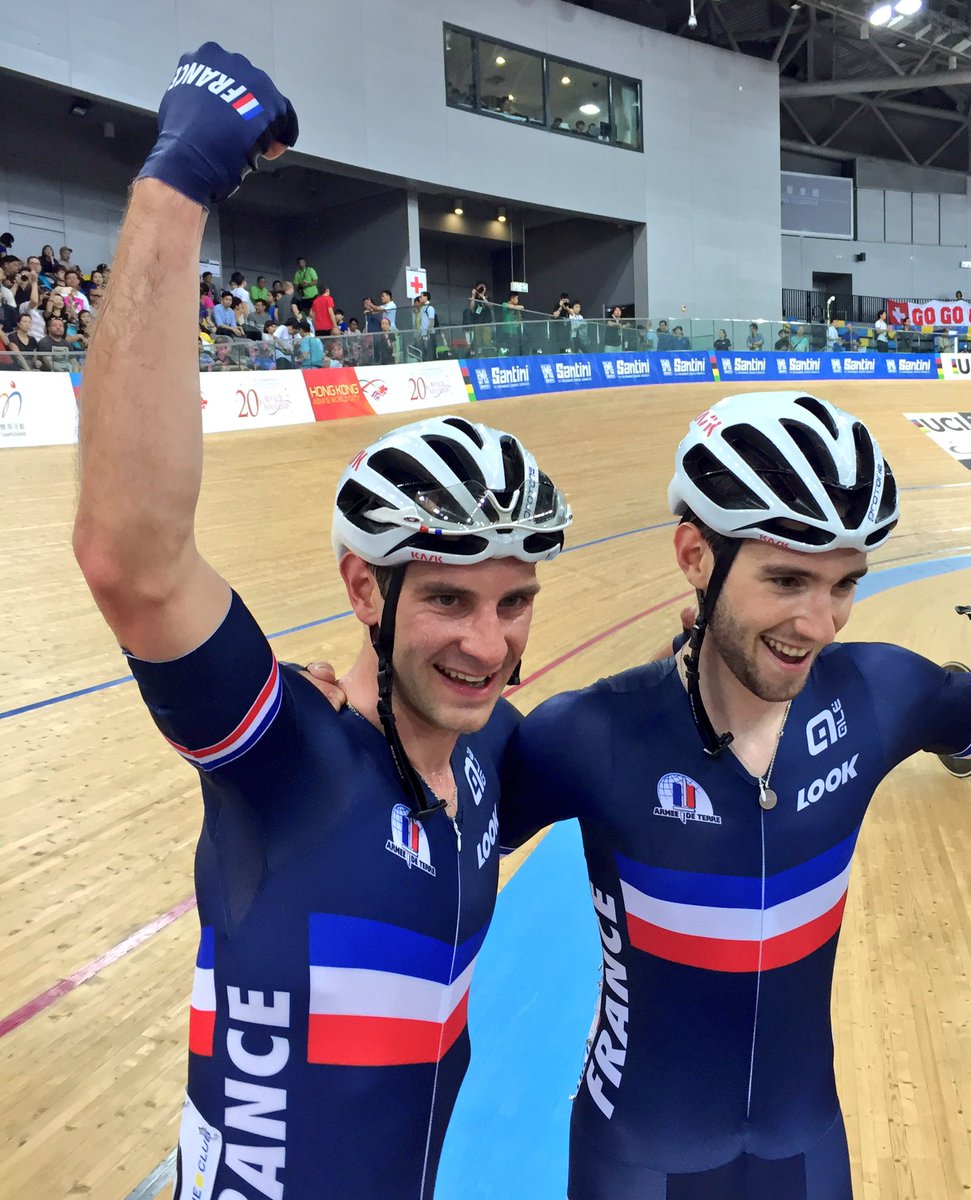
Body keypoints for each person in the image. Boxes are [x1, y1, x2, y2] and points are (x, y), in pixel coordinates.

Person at [70, 42, 572, 1200]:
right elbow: (132, 559)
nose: (487, 645)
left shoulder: (496, 753)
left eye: (514, 604)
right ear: (364, 588)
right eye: (447, 598)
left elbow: (684, 717)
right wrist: (178, 180)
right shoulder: (286, 756)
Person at [499, 392, 971, 1200]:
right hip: (638, 1159)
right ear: (695, 555)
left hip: (803, 1147)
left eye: (844, 584)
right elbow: (413, 825)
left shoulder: (880, 692)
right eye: (787, 579)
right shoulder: (590, 733)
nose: (820, 622)